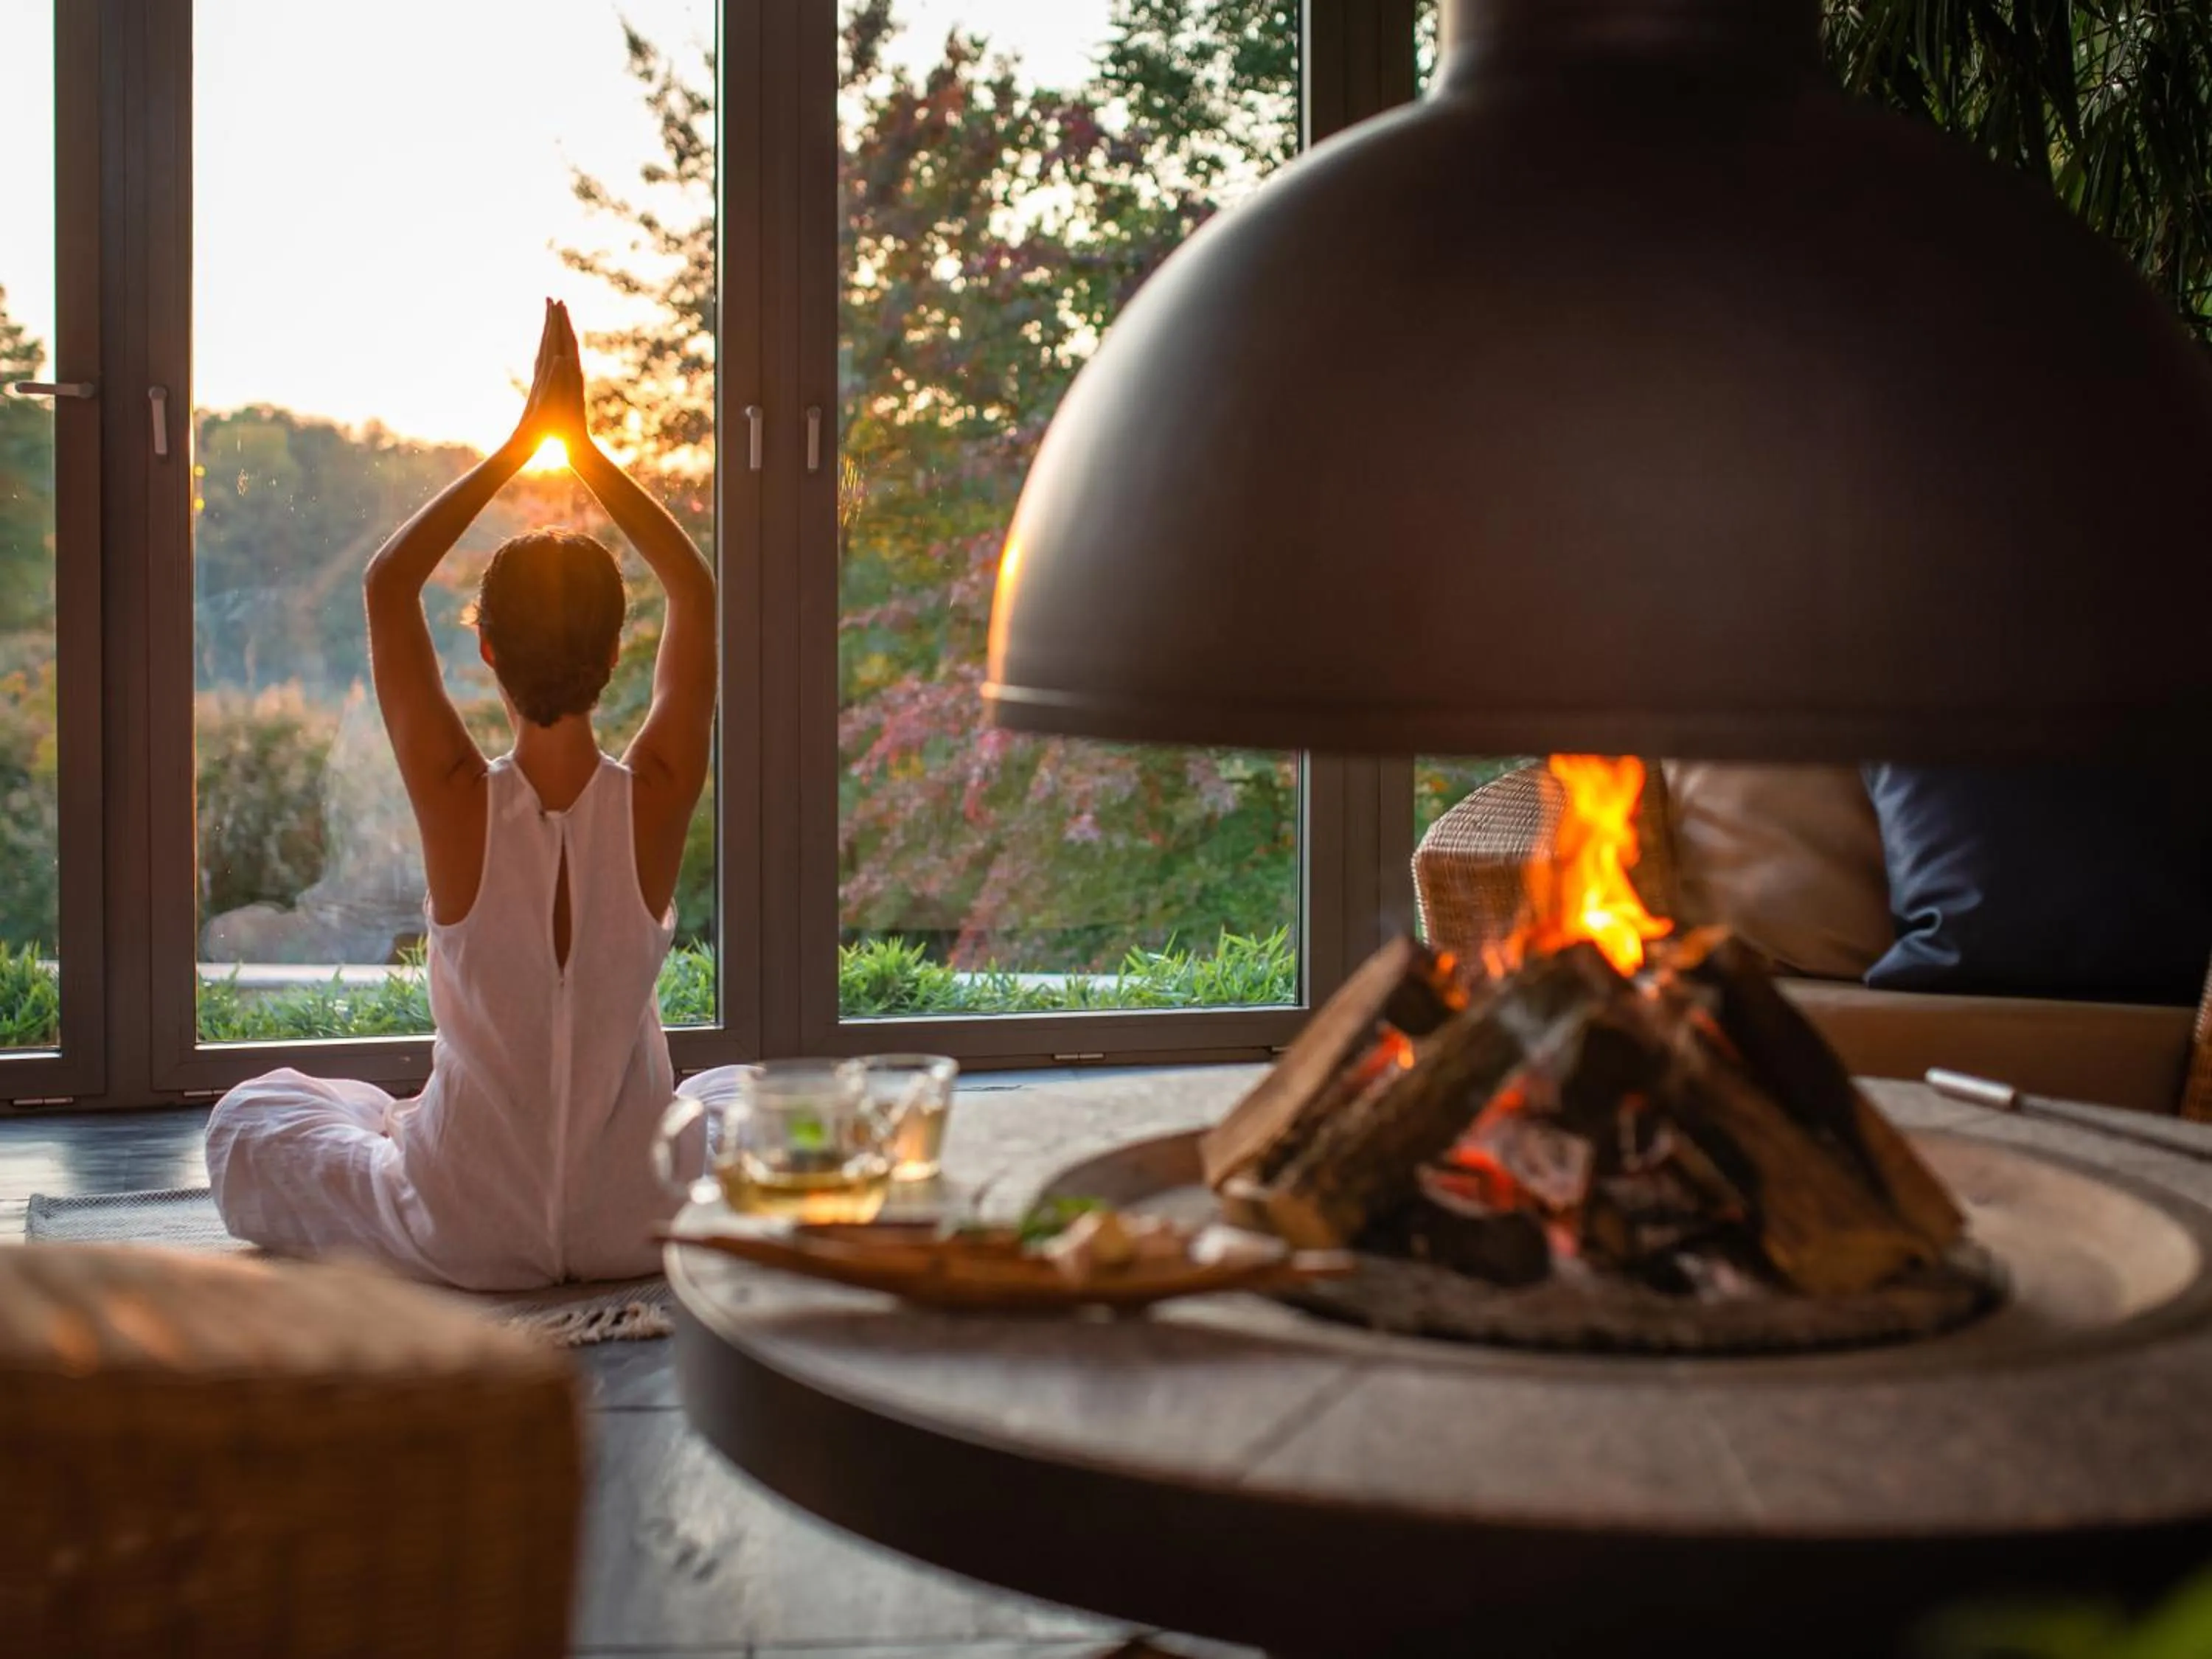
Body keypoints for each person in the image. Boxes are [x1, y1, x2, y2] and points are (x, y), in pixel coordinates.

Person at [205, 301, 717, 1290]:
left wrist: (522, 446)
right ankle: (416, 1127)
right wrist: (586, 451)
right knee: (738, 1098)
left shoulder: (456, 800)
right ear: (618, 653)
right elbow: (694, 590)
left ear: (484, 650)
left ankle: (399, 1124)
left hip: (466, 1221)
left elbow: (387, 585)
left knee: (250, 1118)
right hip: (637, 1215)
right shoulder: (655, 796)